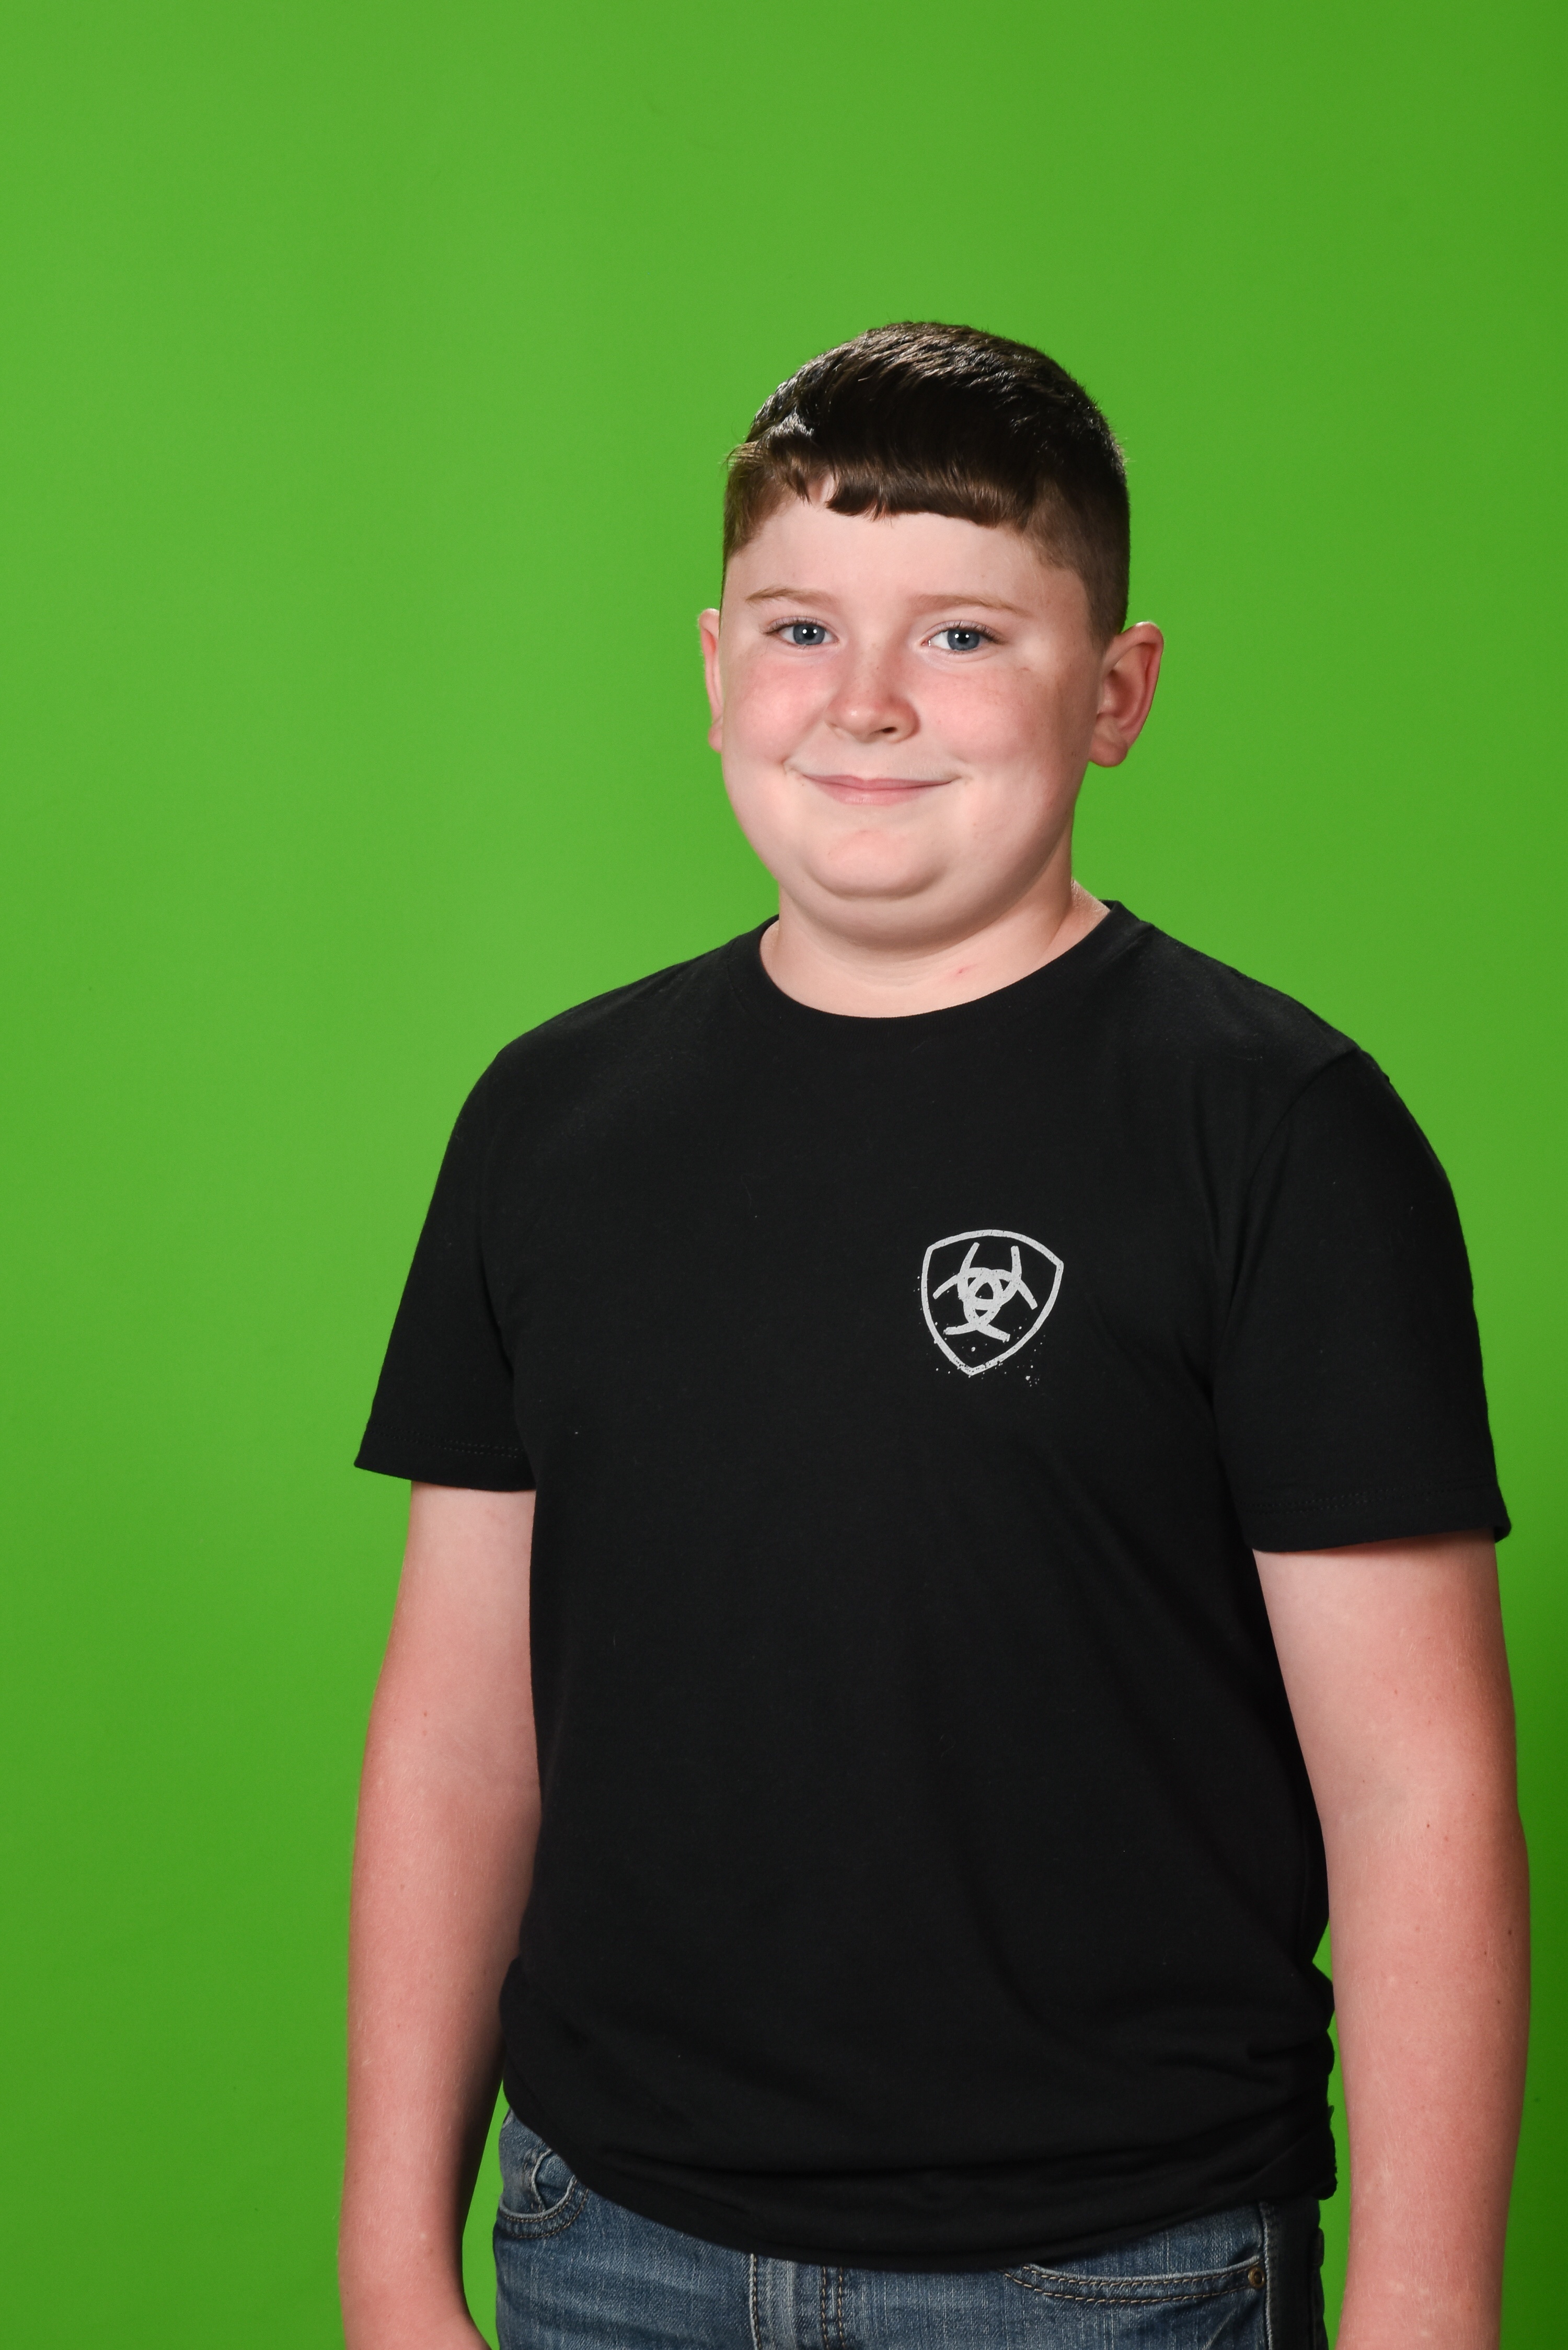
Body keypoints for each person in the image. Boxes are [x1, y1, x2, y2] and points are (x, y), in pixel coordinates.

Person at [338, 324, 1528, 2350]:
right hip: (605, 2236)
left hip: (1112, 2265)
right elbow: (460, 1732)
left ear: (1117, 691)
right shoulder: (550, 1121)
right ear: (715, 666)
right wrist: (390, 2259)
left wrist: (1423, 2311)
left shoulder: (1276, 1131)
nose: (867, 700)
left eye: (965, 635)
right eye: (802, 628)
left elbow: (1416, 1786)